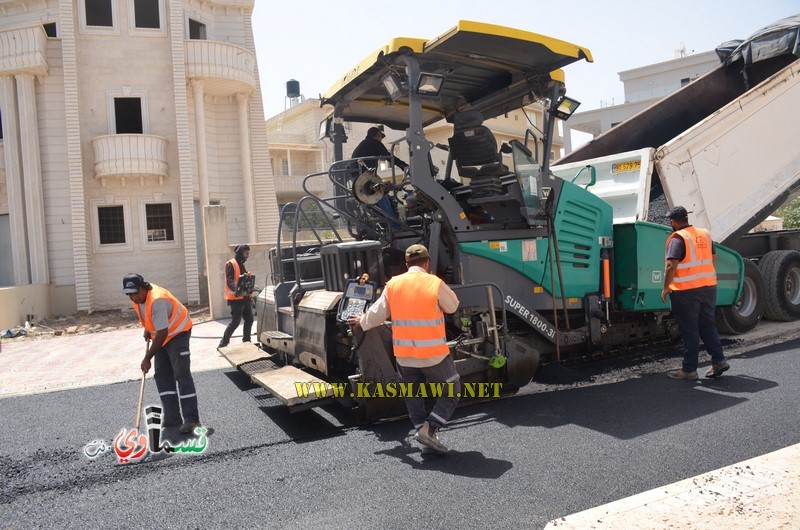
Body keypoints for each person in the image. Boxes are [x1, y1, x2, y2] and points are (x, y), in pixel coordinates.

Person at [348, 244, 460, 454]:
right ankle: (430, 428)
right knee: (452, 389)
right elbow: (453, 306)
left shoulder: (394, 284)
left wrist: (361, 322)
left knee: (413, 394)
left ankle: (424, 434)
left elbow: (377, 313)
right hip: (433, 354)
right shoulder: (434, 283)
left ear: (406, 264)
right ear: (427, 263)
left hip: (404, 356)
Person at [123, 273, 200, 434]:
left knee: (181, 375)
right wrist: (147, 329)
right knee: (162, 375)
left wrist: (147, 358)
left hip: (178, 332)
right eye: (129, 294)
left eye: (136, 293)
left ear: (144, 287)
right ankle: (172, 417)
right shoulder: (138, 300)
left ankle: (192, 420)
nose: (133, 297)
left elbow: (163, 332)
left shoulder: (157, 300)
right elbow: (151, 318)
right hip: (162, 336)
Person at [661, 206, 730, 380]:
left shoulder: (678, 238)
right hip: (708, 287)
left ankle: (689, 370)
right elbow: (713, 258)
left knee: (689, 329)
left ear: (674, 222)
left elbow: (671, 265)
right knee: (707, 325)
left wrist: (665, 287)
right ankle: (719, 360)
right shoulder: (704, 234)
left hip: (686, 291)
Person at [219, 245, 254, 349]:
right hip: (236, 299)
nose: (247, 256)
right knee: (235, 322)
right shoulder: (231, 264)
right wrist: (237, 289)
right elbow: (229, 280)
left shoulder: (241, 264)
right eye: (246, 254)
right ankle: (223, 343)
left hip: (244, 298)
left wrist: (249, 295)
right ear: (240, 253)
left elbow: (244, 281)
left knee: (249, 319)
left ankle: (246, 341)